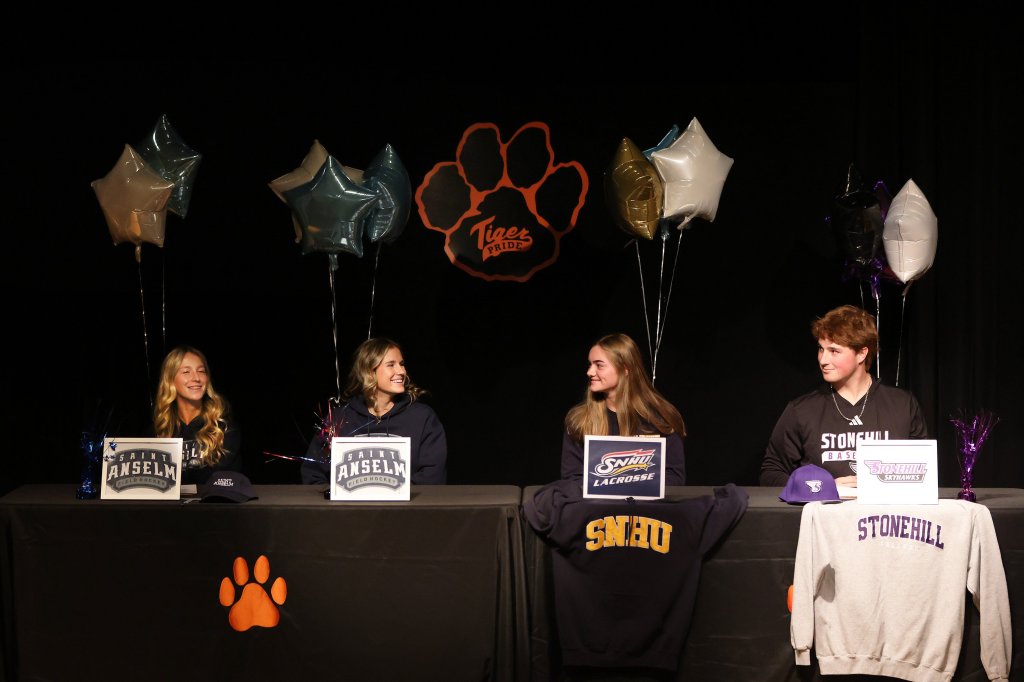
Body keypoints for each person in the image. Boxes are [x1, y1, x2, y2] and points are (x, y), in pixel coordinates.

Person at [759, 304, 928, 487]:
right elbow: (771, 473)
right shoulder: (801, 410)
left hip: (886, 515)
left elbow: (923, 471)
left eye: (834, 351)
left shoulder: (902, 405)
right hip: (824, 514)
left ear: (862, 353)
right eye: (821, 349)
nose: (823, 360)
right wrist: (824, 487)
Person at [301, 338, 447, 485]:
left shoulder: (422, 417)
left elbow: (433, 476)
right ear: (368, 371)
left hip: (406, 508)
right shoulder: (338, 419)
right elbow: (312, 473)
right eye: (391, 365)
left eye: (402, 364)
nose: (401, 371)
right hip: (348, 509)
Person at [561, 333, 687, 485]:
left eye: (599, 365)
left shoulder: (661, 418)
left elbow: (674, 478)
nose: (590, 372)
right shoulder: (579, 420)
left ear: (625, 369)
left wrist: (631, 494)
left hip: (649, 508)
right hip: (595, 508)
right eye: (590, 364)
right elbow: (572, 479)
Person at [153, 345, 242, 485]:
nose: (196, 378)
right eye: (186, 372)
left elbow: (217, 481)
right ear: (170, 380)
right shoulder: (158, 430)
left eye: (201, 371)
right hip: (169, 507)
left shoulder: (224, 430)